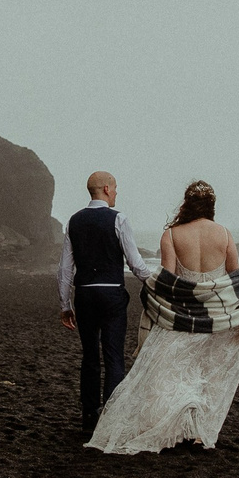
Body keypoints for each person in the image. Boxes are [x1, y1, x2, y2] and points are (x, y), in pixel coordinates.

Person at [86, 180, 239, 454]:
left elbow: (168, 280)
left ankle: (178, 428)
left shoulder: (171, 235)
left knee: (177, 373)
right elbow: (236, 278)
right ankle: (197, 433)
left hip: (182, 316)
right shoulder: (225, 234)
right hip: (217, 319)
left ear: (186, 203)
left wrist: (152, 298)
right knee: (208, 374)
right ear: (211, 205)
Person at [57, 171, 156, 437]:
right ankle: (111, 417)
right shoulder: (118, 219)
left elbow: (66, 269)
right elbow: (135, 263)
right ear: (106, 189)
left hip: (85, 294)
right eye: (115, 188)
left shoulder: (74, 221)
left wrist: (66, 304)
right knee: (113, 357)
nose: (116, 193)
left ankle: (88, 415)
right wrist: (155, 283)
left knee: (90, 356)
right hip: (112, 294)